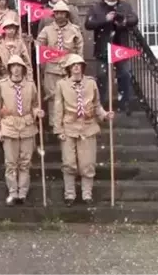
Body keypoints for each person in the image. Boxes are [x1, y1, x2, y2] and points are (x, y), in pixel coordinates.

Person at [54, 54, 114, 206]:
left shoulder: (91, 83)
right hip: (69, 127)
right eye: (73, 65)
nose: (76, 67)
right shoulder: (62, 84)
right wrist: (58, 129)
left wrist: (105, 115)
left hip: (88, 127)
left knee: (87, 164)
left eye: (79, 64)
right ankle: (70, 194)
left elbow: (96, 104)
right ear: (68, 68)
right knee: (69, 163)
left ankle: (87, 194)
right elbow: (58, 108)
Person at [0, 55, 44, 206]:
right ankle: (12, 191)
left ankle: (22, 192)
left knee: (25, 162)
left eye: (18, 66)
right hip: (9, 125)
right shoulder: (2, 85)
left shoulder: (30, 85)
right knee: (11, 163)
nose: (16, 69)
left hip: (27, 125)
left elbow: (35, 103)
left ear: (23, 68)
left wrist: (37, 112)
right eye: (13, 66)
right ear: (9, 69)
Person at [85, 0, 139, 114]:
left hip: (120, 46)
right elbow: (88, 24)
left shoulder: (124, 5)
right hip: (103, 47)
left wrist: (123, 20)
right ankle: (101, 105)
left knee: (125, 74)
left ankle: (124, 103)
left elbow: (134, 19)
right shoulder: (96, 8)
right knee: (102, 76)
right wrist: (105, 19)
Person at [37, 1, 84, 127]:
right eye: (57, 13)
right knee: (52, 96)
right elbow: (39, 46)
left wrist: (78, 65)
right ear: (53, 14)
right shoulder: (47, 30)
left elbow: (79, 47)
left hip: (69, 67)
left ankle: (68, 121)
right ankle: (54, 123)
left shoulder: (74, 30)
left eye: (62, 13)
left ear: (67, 14)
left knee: (70, 94)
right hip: (52, 67)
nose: (60, 16)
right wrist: (43, 60)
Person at [0, 17, 32, 83]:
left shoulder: (20, 44)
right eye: (9, 28)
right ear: (4, 29)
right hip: (3, 76)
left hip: (19, 76)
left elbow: (26, 61)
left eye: (13, 28)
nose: (11, 30)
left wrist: (29, 77)